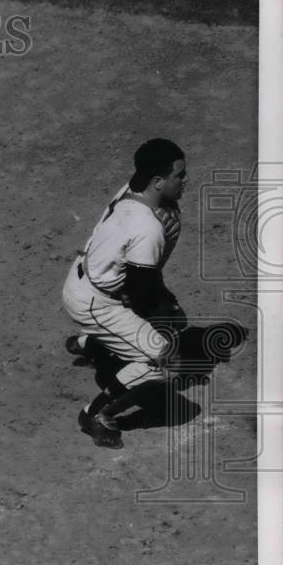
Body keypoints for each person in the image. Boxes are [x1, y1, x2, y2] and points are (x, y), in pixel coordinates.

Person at [61, 138, 189, 449]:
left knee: (155, 324)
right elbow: (141, 291)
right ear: (157, 181)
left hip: (86, 279)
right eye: (179, 176)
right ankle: (95, 415)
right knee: (163, 359)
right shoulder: (148, 229)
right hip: (95, 303)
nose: (184, 181)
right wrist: (166, 309)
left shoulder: (131, 190)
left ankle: (90, 343)